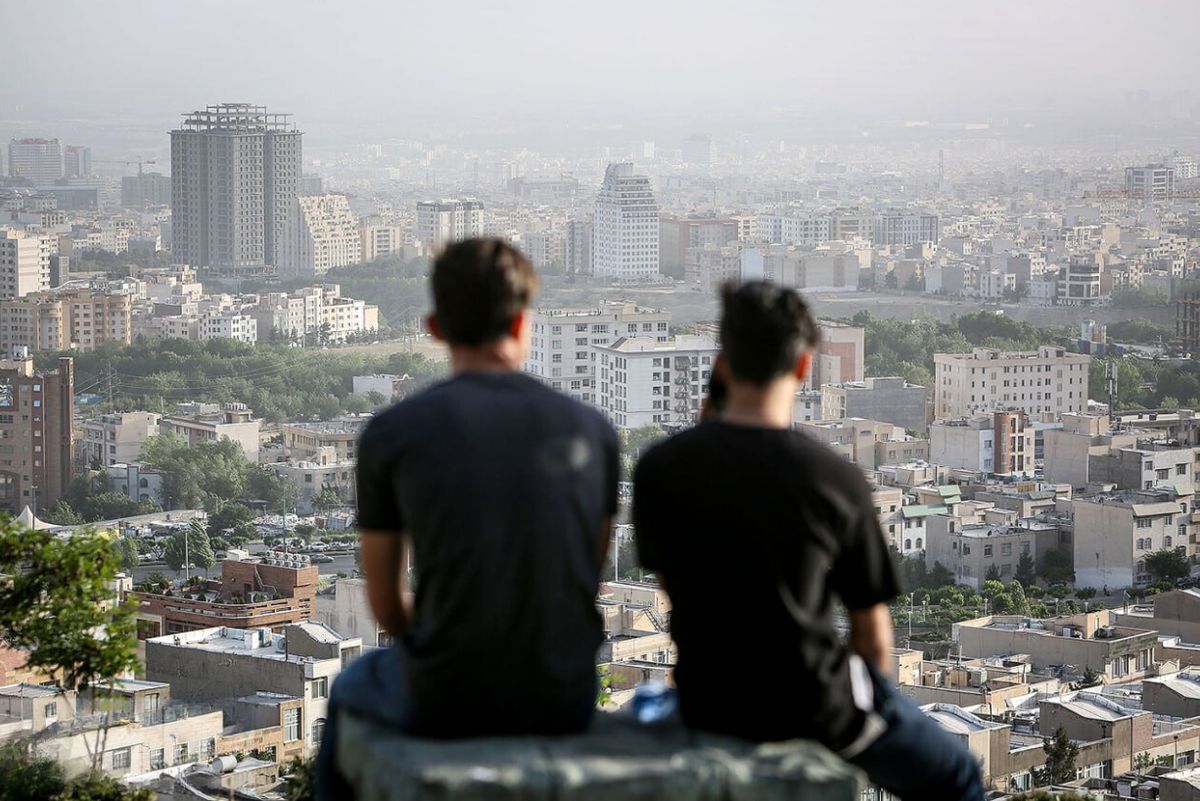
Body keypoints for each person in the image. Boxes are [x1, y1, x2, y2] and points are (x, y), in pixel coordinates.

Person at [632, 281, 983, 801]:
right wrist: (874, 710)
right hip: (818, 711)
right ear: (802, 367)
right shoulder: (833, 479)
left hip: (709, 703)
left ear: (723, 362)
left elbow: (672, 588)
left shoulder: (660, 469)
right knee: (959, 776)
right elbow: (871, 632)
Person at [317, 239, 619, 799]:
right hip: (561, 691)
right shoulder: (591, 430)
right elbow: (585, 575)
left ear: (434, 326)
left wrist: (442, 650)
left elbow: (385, 603)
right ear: (524, 323)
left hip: (448, 688)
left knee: (352, 688)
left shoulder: (394, 434)